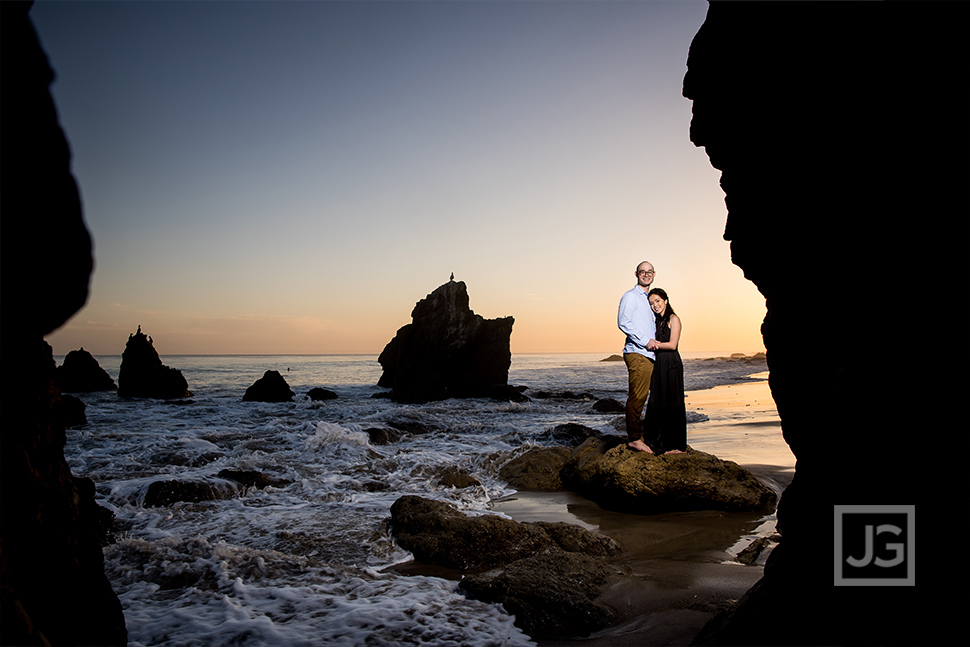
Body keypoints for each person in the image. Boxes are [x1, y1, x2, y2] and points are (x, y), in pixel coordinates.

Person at [617, 261, 662, 452]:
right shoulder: (630, 297)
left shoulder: (650, 299)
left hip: (651, 355)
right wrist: (645, 341)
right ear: (636, 274)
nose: (646, 275)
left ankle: (648, 435)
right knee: (638, 397)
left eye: (649, 272)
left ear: (654, 274)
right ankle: (634, 438)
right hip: (638, 353)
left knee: (653, 398)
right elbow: (623, 322)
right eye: (642, 272)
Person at [642, 287, 686, 454]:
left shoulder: (673, 319)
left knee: (672, 402)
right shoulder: (656, 321)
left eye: (658, 301)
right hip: (659, 363)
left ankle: (676, 446)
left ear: (665, 300)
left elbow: (673, 344)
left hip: (671, 363)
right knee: (657, 400)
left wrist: (653, 344)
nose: (655, 305)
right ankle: (657, 443)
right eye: (652, 303)